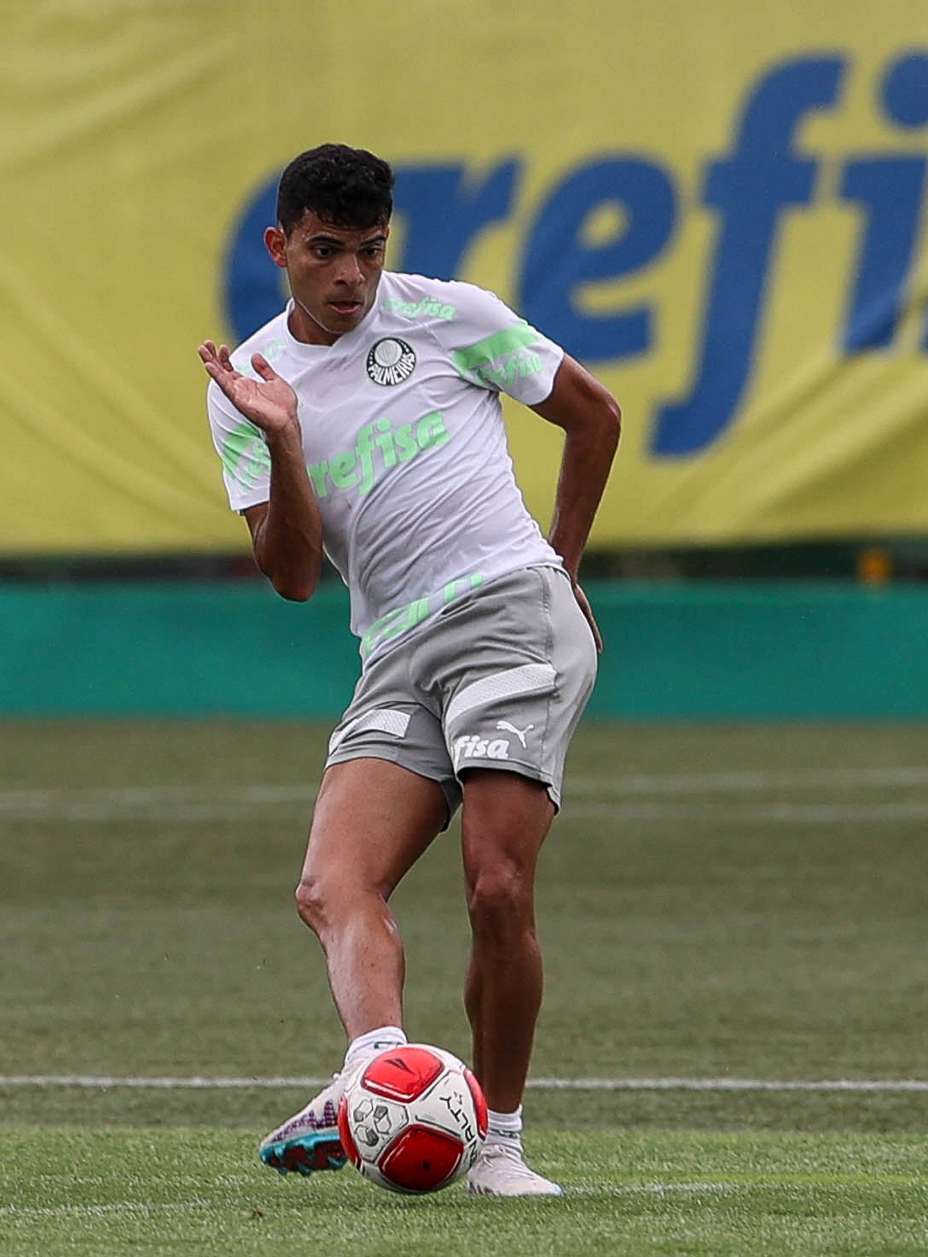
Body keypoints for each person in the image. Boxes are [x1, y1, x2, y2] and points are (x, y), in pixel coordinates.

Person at [200, 144, 620, 1197]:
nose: (351, 275)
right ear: (279, 247)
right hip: (393, 647)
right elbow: (293, 578)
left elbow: (595, 415)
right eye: (326, 251)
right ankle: (377, 1079)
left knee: (495, 884)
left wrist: (562, 571)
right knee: (330, 885)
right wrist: (283, 441)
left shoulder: (451, 315)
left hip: (509, 611)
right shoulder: (249, 385)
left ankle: (499, 1144)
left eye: (370, 250)